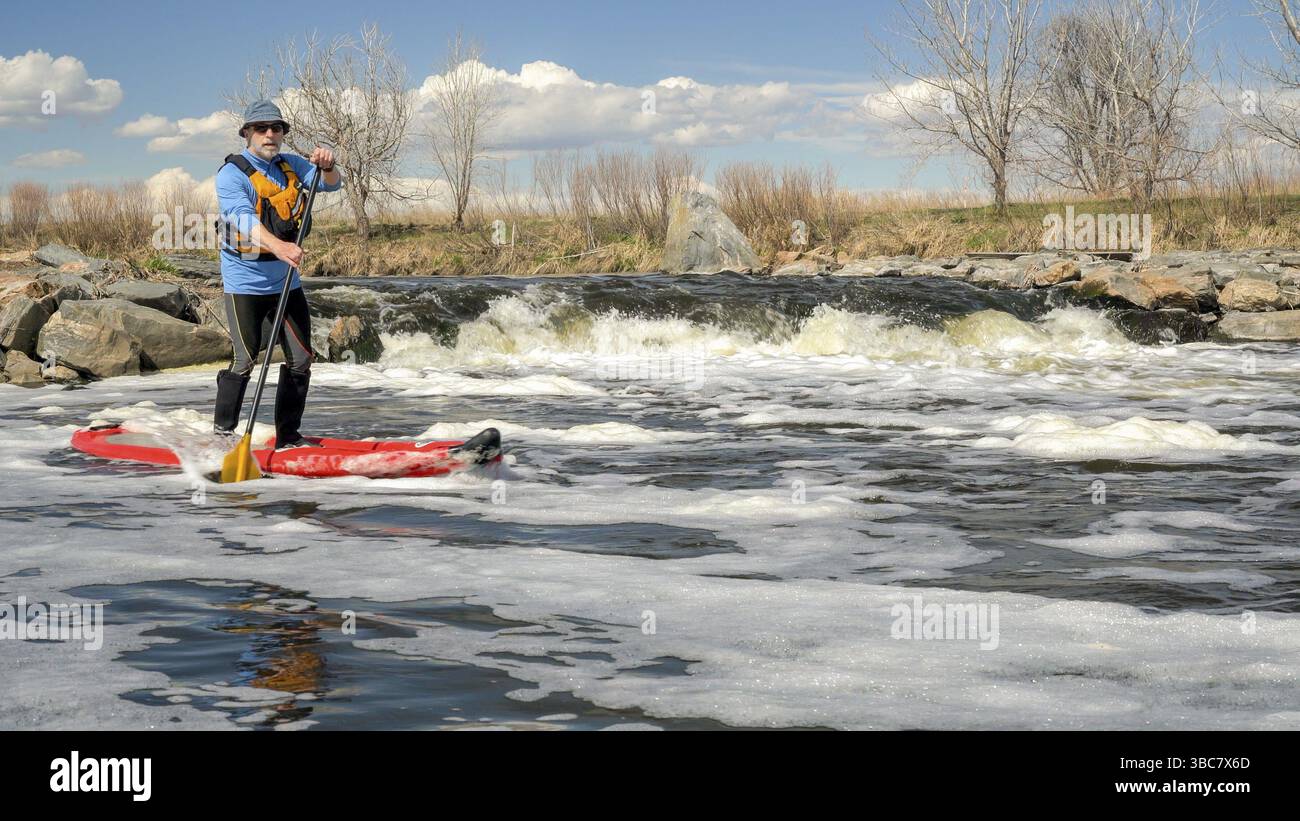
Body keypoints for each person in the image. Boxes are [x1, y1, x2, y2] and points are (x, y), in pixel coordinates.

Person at [213, 99, 343, 449]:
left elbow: (330, 184)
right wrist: (280, 247)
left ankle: (288, 438)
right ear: (247, 134)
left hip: (286, 281)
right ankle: (224, 434)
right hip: (245, 283)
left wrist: (328, 166)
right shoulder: (231, 174)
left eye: (277, 128)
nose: (270, 134)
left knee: (301, 359)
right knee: (245, 359)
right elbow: (242, 219)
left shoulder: (292, 165)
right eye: (261, 129)